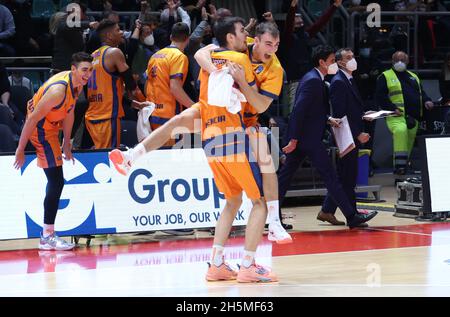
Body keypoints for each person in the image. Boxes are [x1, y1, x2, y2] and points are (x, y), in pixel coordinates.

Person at [110, 17, 278, 283]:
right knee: (259, 201)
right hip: (233, 134)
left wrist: (214, 67)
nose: (246, 34)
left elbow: (200, 52)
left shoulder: (211, 54)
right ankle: (248, 263)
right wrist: (244, 85)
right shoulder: (241, 60)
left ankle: (216, 264)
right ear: (234, 39)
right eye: (242, 32)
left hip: (209, 136)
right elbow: (258, 104)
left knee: (232, 201)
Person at [194, 21, 292, 243]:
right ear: (254, 41)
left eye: (276, 45)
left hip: (247, 119)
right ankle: (134, 154)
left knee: (267, 163)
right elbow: (200, 53)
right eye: (268, 43)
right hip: (221, 111)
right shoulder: (241, 45)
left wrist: (243, 84)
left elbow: (261, 106)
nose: (272, 49)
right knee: (181, 119)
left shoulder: (275, 69)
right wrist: (215, 72)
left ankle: (274, 222)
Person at [278, 45, 377, 229]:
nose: (334, 64)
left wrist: (328, 119)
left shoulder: (314, 78)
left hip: (305, 139)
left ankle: (273, 218)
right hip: (308, 140)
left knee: (285, 178)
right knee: (331, 178)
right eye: (332, 61)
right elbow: (298, 111)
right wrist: (292, 139)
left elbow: (311, 110)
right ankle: (351, 216)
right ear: (322, 62)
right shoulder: (313, 81)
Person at [13, 52, 94, 251]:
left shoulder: (76, 83)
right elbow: (31, 120)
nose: (88, 74)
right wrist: (20, 149)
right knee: (57, 181)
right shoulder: (58, 91)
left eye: (91, 70)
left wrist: (67, 142)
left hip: (50, 126)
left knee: (56, 180)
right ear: (73, 69)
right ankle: (47, 236)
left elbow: (69, 112)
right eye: (85, 70)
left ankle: (47, 234)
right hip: (40, 130)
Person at [318, 48, 370, 225]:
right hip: (346, 137)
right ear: (340, 62)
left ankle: (327, 210)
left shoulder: (348, 80)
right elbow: (340, 115)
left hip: (350, 134)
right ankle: (353, 215)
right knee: (347, 177)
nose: (353, 59)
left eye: (353, 56)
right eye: (348, 57)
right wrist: (357, 133)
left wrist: (364, 114)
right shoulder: (339, 82)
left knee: (345, 176)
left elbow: (351, 109)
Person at [85, 19, 145, 149]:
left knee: (98, 154)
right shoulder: (114, 53)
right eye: (118, 30)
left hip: (92, 115)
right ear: (109, 35)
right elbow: (130, 83)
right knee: (109, 156)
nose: (122, 33)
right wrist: (145, 102)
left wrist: (130, 103)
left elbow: (105, 86)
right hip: (107, 116)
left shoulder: (92, 56)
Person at [375, 51, 434, 174]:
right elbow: (380, 96)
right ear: (392, 61)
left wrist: (427, 100)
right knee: (400, 131)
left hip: (413, 117)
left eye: (402, 60)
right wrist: (392, 108)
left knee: (408, 143)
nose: (399, 62)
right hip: (396, 115)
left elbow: (421, 93)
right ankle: (399, 168)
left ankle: (403, 168)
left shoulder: (413, 76)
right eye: (397, 60)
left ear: (407, 61)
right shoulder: (385, 76)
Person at [145, 22, 194, 148]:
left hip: (152, 113)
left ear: (171, 37)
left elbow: (147, 84)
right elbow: (175, 88)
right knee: (172, 157)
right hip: (169, 115)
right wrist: (194, 107)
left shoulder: (155, 55)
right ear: (187, 39)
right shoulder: (179, 57)